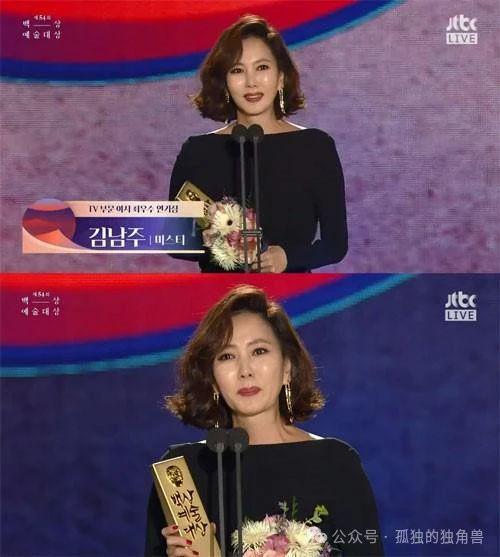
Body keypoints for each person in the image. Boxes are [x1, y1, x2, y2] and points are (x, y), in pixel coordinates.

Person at [145, 285, 383, 556]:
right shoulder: (182, 471)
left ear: (287, 367)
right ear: (211, 378)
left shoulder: (335, 462)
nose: (245, 371)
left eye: (259, 351)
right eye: (227, 356)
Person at [168, 14, 348, 273]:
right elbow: (174, 241)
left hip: (289, 290)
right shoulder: (197, 151)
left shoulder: (315, 147)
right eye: (237, 70)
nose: (251, 82)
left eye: (262, 67)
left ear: (281, 76)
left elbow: (335, 244)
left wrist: (286, 258)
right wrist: (212, 243)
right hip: (218, 290)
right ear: (224, 82)